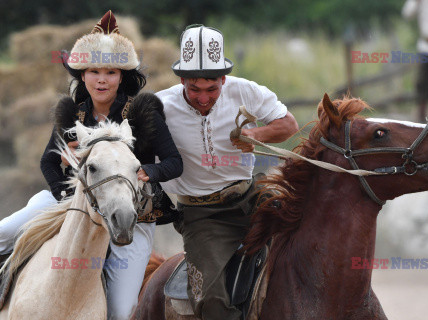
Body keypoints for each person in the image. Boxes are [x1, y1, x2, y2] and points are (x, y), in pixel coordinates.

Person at [0, 11, 183, 320]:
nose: (102, 79)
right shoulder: (75, 114)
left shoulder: (144, 113)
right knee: (3, 232)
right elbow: (48, 160)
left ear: (122, 76)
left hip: (132, 216)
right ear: (82, 75)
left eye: (111, 72)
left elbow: (174, 162)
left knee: (121, 311)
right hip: (74, 205)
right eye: (94, 71)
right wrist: (63, 195)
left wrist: (147, 172)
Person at [155, 25, 298, 320]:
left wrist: (255, 134)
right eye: (194, 89)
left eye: (212, 89)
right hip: (201, 215)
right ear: (182, 80)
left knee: (309, 232)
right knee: (210, 299)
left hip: (251, 195)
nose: (203, 98)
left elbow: (289, 125)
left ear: (223, 78)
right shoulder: (159, 106)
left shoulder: (246, 90)